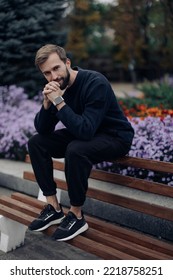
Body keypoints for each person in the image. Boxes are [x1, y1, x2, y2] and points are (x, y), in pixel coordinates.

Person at [28, 44, 134, 241]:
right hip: (85, 133)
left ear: (67, 63)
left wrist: (59, 101)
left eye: (57, 68)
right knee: (36, 142)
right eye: (47, 73)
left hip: (115, 136)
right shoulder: (57, 89)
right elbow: (43, 130)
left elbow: (85, 131)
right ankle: (54, 207)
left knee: (76, 149)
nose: (54, 77)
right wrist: (47, 103)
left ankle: (76, 215)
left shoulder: (95, 82)